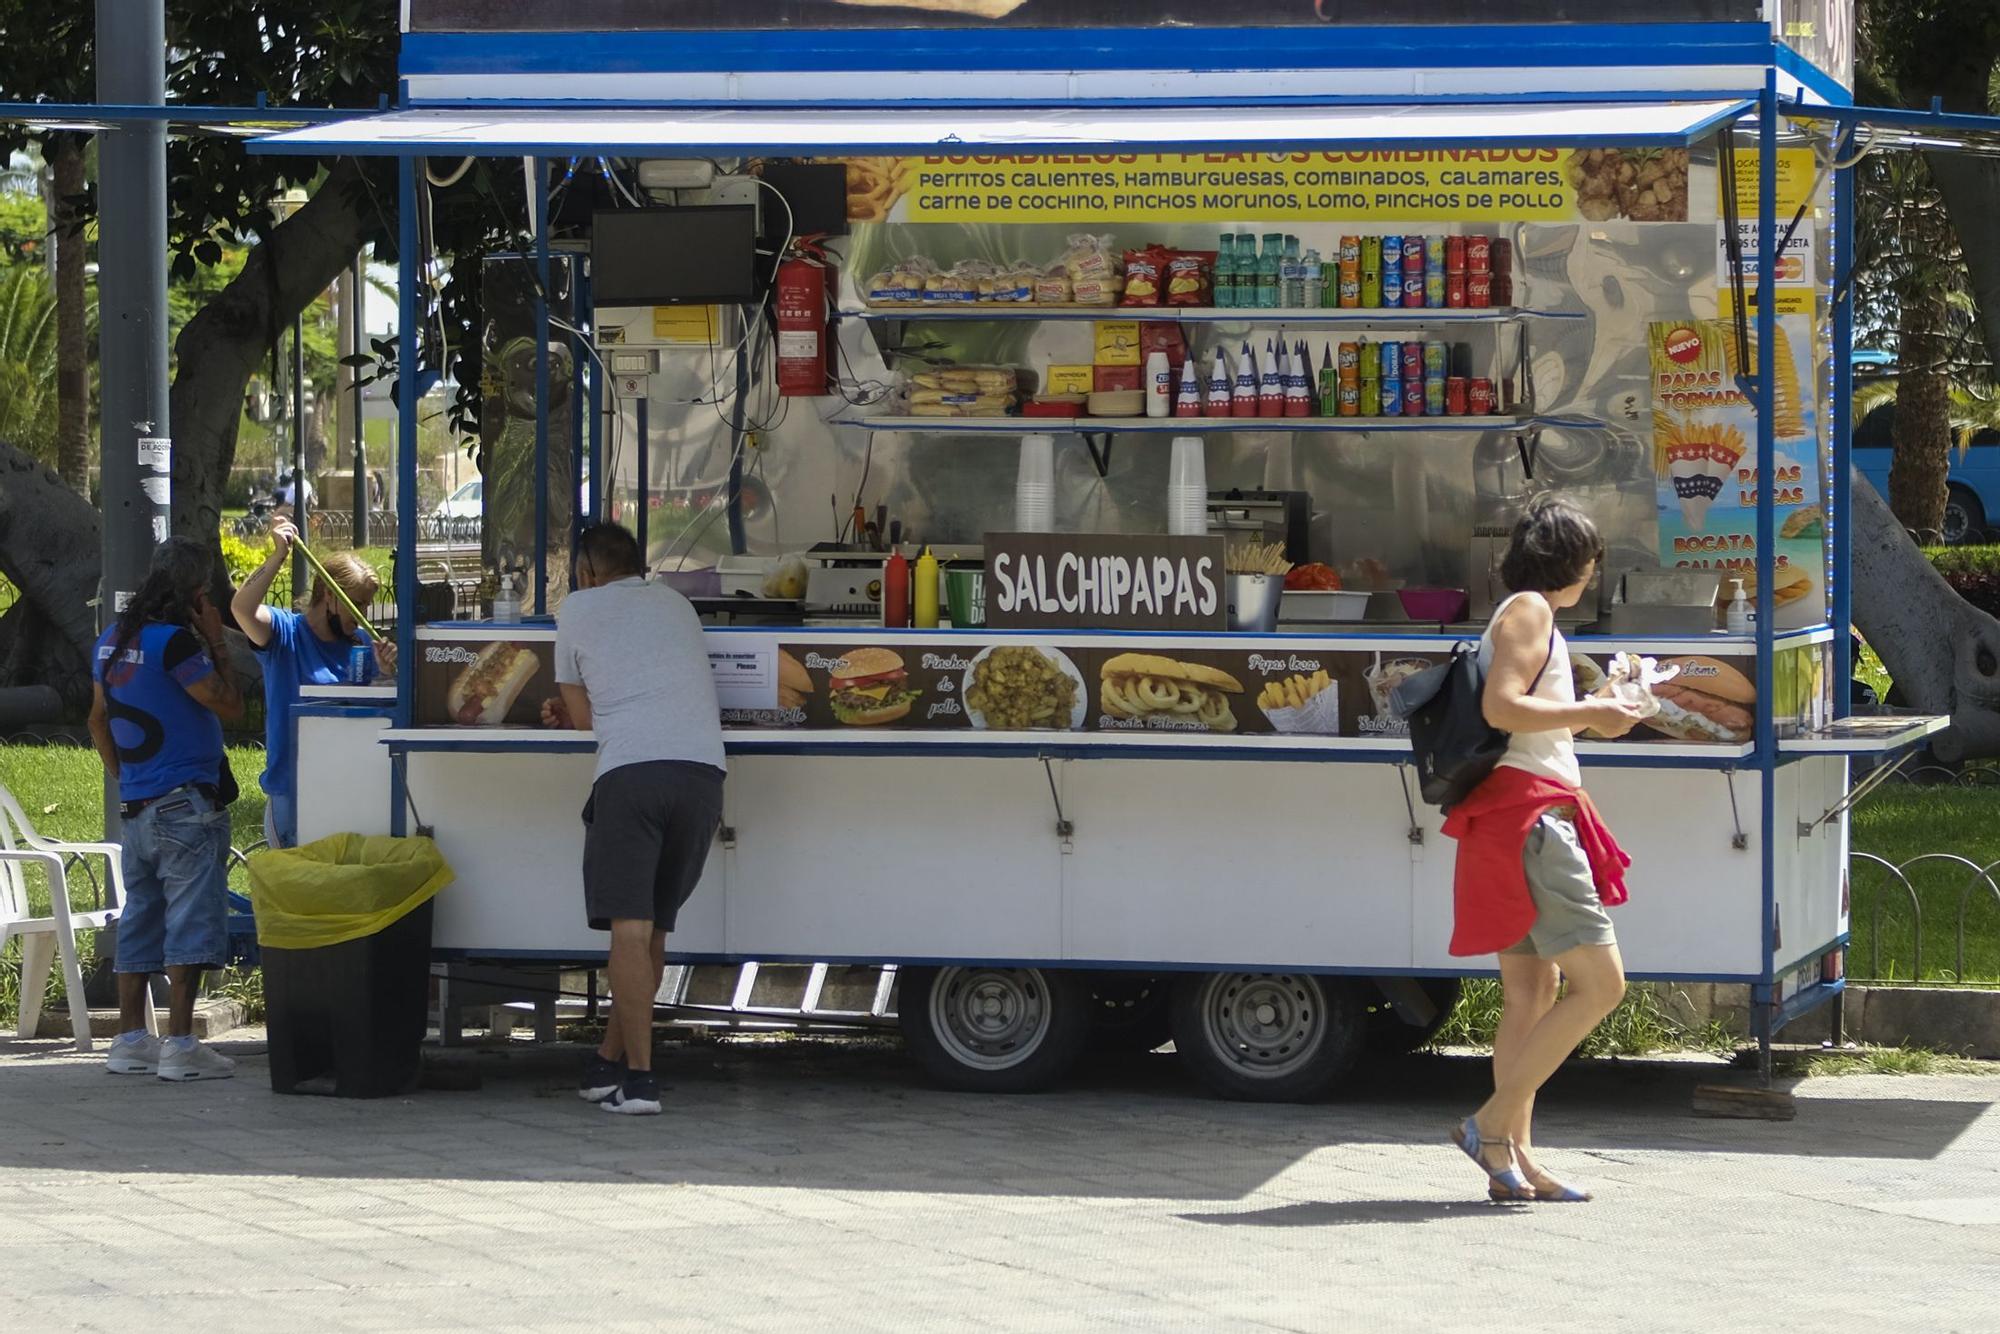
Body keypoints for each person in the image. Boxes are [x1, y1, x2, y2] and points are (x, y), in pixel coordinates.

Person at [1442, 499, 1647, 1202]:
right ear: (1576, 563)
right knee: (1603, 984)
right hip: (1530, 820)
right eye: (1592, 559)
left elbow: (1529, 727)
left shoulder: (1527, 615)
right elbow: (1503, 708)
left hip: (1510, 815)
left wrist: (1604, 709)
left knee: (1533, 990)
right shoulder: (1530, 613)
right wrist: (1593, 710)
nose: (1594, 571)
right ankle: (1491, 1124)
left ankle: (1512, 1157)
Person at [540, 523, 725, 1115]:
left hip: (632, 775)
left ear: (587, 572)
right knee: (651, 935)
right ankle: (607, 1063)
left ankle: (641, 1081)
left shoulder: (578, 609)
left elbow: (583, 717)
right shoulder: (677, 604)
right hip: (702, 778)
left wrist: (563, 710)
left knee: (629, 933)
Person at [88, 538, 245, 1082]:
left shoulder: (111, 640)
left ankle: (130, 1039)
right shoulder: (175, 644)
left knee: (141, 917)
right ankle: (180, 1042)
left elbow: (96, 720)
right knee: (190, 921)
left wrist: (124, 776)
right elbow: (228, 703)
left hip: (137, 805)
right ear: (198, 591)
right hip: (186, 805)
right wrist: (217, 642)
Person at [230, 517, 393, 848]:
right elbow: (241, 609)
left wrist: (388, 675)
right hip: (294, 789)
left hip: (349, 786)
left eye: (367, 604)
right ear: (330, 596)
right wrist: (277, 557)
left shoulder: (361, 642)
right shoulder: (285, 634)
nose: (363, 613)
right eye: (358, 603)